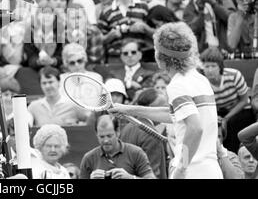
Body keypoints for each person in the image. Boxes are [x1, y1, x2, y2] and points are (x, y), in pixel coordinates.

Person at [109, 22, 222, 179]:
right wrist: (128, 109)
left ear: (162, 57)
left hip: (192, 172)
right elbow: (175, 115)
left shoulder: (177, 85)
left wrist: (182, 168)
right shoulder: (200, 79)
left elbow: (195, 128)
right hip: (212, 171)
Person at [200, 47, 254, 153]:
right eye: (207, 66)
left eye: (213, 66)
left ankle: (233, 154)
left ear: (220, 67)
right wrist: (217, 117)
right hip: (217, 111)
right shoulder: (201, 82)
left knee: (232, 124)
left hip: (240, 108)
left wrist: (226, 118)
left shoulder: (234, 75)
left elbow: (244, 100)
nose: (210, 70)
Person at [80, 115, 155, 179]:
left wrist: (130, 177)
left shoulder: (136, 153)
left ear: (117, 132)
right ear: (96, 134)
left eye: (109, 136)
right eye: (101, 137)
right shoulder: (89, 158)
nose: (106, 141)